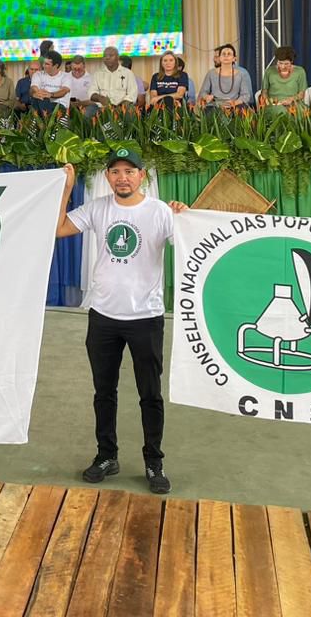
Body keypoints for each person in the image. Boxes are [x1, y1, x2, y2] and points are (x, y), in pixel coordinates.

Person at [56, 150, 188, 494]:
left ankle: (153, 461)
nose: (123, 177)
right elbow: (58, 229)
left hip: (146, 317)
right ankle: (106, 456)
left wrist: (185, 217)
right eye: (116, 172)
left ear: (142, 176)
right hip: (103, 317)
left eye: (129, 171)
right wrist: (67, 188)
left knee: (150, 394)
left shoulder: (160, 212)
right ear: (108, 177)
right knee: (104, 392)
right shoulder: (98, 208)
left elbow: (189, 243)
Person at [200, 44, 253, 109]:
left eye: (229, 54)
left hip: (234, 105)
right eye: (223, 54)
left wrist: (235, 102)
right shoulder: (211, 73)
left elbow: (246, 95)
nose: (226, 56)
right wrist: (207, 97)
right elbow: (203, 92)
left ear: (234, 58)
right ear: (219, 58)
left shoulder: (241, 74)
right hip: (215, 106)